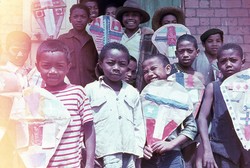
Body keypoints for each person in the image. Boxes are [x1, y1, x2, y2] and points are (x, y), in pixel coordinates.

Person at [35, 39, 95, 167]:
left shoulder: (77, 93)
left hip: (71, 164)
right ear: (37, 66)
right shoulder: (36, 96)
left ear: (68, 67)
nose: (53, 71)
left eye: (59, 66)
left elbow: (89, 128)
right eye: (46, 66)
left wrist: (89, 162)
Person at [85, 42, 145, 168]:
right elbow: (83, 124)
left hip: (129, 154)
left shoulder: (132, 92)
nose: (116, 68)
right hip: (102, 154)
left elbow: (139, 125)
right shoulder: (90, 90)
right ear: (101, 64)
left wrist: (138, 153)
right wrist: (87, 153)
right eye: (110, 63)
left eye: (122, 64)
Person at [197, 43, 250, 168]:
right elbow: (202, 118)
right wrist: (207, 149)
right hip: (223, 148)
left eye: (233, 60)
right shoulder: (214, 87)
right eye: (223, 61)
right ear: (218, 64)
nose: (229, 64)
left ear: (242, 61)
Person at [141, 54, 198, 168]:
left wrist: (171, 144)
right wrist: (141, 148)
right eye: (145, 71)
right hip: (148, 156)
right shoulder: (142, 97)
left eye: (153, 68)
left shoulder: (180, 96)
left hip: (172, 156)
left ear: (167, 69)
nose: (150, 74)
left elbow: (192, 128)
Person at [115, 0, 154, 91]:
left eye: (134, 15)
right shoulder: (116, 35)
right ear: (122, 18)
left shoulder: (148, 37)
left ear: (140, 18)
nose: (130, 18)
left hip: (140, 80)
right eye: (127, 15)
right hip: (117, 78)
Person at [58, 4, 98, 87]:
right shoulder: (62, 39)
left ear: (88, 19)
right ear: (70, 19)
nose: (79, 20)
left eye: (83, 17)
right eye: (75, 17)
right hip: (69, 87)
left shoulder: (94, 40)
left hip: (90, 86)